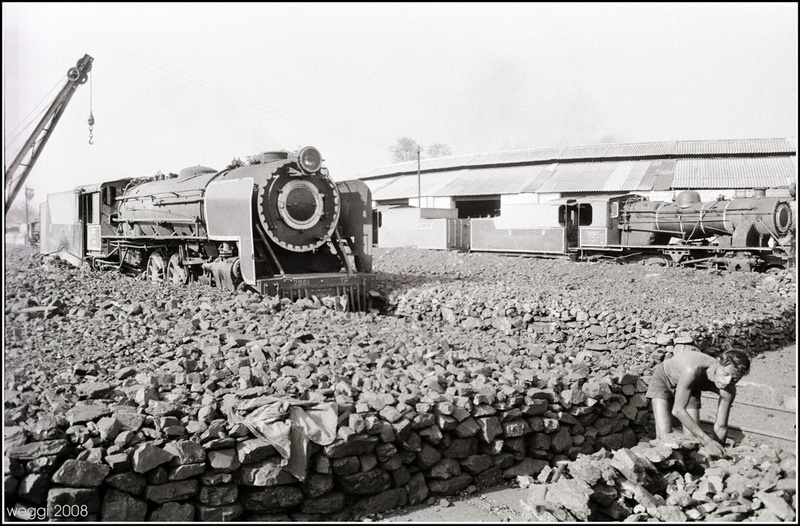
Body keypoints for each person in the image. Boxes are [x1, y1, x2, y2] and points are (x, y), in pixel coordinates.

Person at [646, 349, 751, 456]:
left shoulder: (729, 390)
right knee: (664, 436)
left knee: (692, 439)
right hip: (664, 379)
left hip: (690, 388)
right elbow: (678, 410)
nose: (727, 381)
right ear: (718, 363)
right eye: (726, 374)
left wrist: (719, 453)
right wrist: (708, 441)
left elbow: (721, 426)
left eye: (735, 379)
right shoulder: (692, 369)